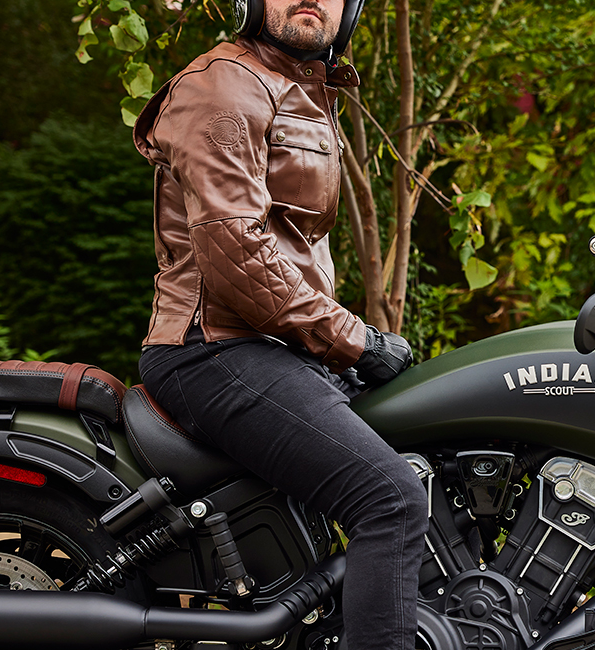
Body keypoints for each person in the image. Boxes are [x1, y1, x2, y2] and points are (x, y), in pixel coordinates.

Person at [131, 0, 427, 648]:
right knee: (391, 499)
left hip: (280, 346)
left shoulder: (298, 87)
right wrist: (352, 339)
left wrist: (338, 343)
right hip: (215, 346)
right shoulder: (222, 86)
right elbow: (234, 250)